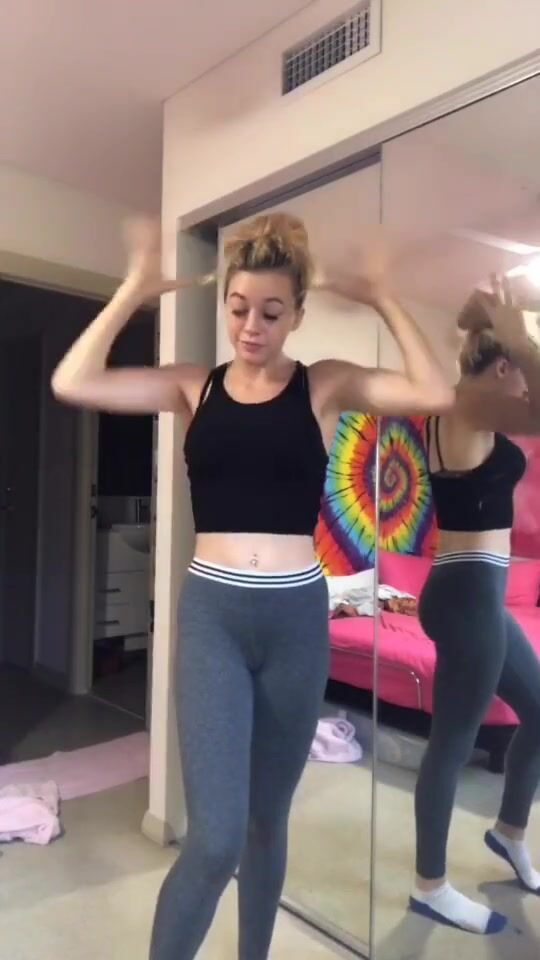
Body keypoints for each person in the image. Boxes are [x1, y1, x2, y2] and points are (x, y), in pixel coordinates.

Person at [51, 212, 453, 960]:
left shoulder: (322, 385)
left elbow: (433, 391)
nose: (251, 327)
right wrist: (134, 287)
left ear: (297, 313)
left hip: (296, 619)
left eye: (271, 312)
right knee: (215, 840)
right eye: (238, 308)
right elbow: (72, 381)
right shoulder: (192, 387)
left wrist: (383, 297)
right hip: (216, 616)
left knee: (269, 824)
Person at [411, 276, 540, 936]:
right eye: (517, 376)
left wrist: (491, 313)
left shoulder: (461, 408)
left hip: (469, 591)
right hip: (467, 597)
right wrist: (515, 330)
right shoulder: (465, 411)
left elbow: (473, 323)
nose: (522, 393)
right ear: (502, 369)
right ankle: (429, 886)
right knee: (451, 745)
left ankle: (509, 832)